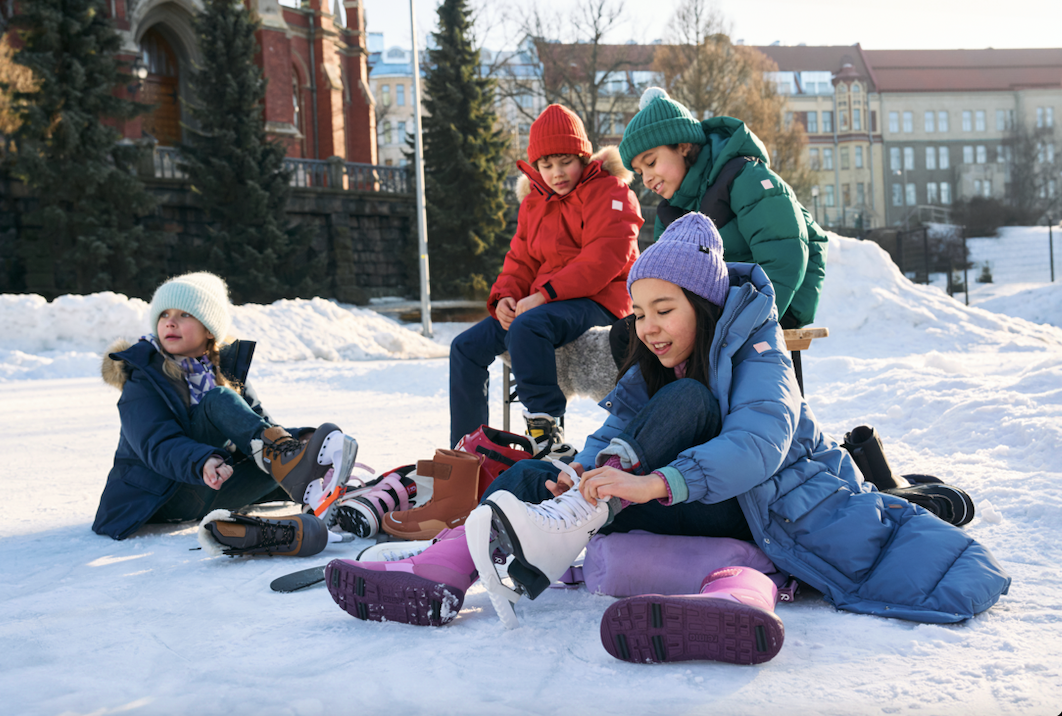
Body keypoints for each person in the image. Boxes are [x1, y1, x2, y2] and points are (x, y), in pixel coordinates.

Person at [324, 213, 1010, 663]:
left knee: (683, 402)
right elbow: (615, 428)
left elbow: (757, 445)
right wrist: (585, 474)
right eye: (640, 312)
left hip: (761, 507)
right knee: (536, 477)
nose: (649, 327)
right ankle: (442, 576)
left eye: (664, 310)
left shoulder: (758, 354)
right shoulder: (652, 363)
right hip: (682, 500)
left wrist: (649, 483)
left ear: (704, 305)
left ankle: (606, 534)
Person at [94, 271, 345, 551]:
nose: (171, 322)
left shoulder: (224, 370)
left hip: (214, 485)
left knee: (276, 460)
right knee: (218, 399)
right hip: (162, 496)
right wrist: (202, 460)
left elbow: (259, 426)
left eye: (185, 314)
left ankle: (332, 504)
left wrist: (301, 441)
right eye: (164, 314)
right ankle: (300, 475)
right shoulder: (143, 376)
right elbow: (157, 444)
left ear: (209, 329)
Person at [448, 104, 643, 450]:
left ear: (583, 157)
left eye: (565, 161)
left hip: (600, 300)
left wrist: (543, 295)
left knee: (528, 326)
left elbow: (605, 258)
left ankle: (545, 434)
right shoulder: (534, 203)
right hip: (547, 303)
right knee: (465, 347)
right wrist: (505, 298)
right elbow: (520, 260)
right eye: (546, 165)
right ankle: (468, 447)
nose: (557, 173)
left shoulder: (610, 191)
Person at [607, 86, 829, 365]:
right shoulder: (671, 212)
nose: (647, 178)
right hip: (720, 302)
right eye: (640, 172)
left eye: (651, 162)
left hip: (778, 298)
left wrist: (749, 322)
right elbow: (663, 280)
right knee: (626, 337)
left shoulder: (744, 176)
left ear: (683, 146)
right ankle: (659, 407)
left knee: (695, 339)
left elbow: (784, 254)